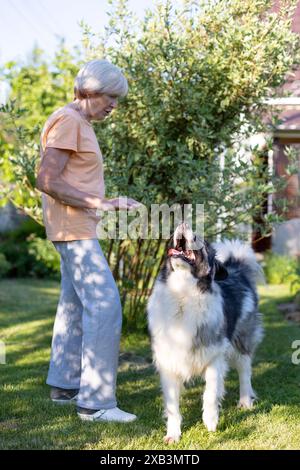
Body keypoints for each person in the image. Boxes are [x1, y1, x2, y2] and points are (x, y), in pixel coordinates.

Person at [36, 59, 140, 423]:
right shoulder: (69, 121)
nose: (113, 105)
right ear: (90, 91)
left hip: (73, 228)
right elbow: (47, 179)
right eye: (110, 96)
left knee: (74, 305)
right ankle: (95, 403)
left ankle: (65, 386)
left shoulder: (75, 121)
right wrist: (104, 203)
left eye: (117, 99)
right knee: (105, 303)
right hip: (74, 229)